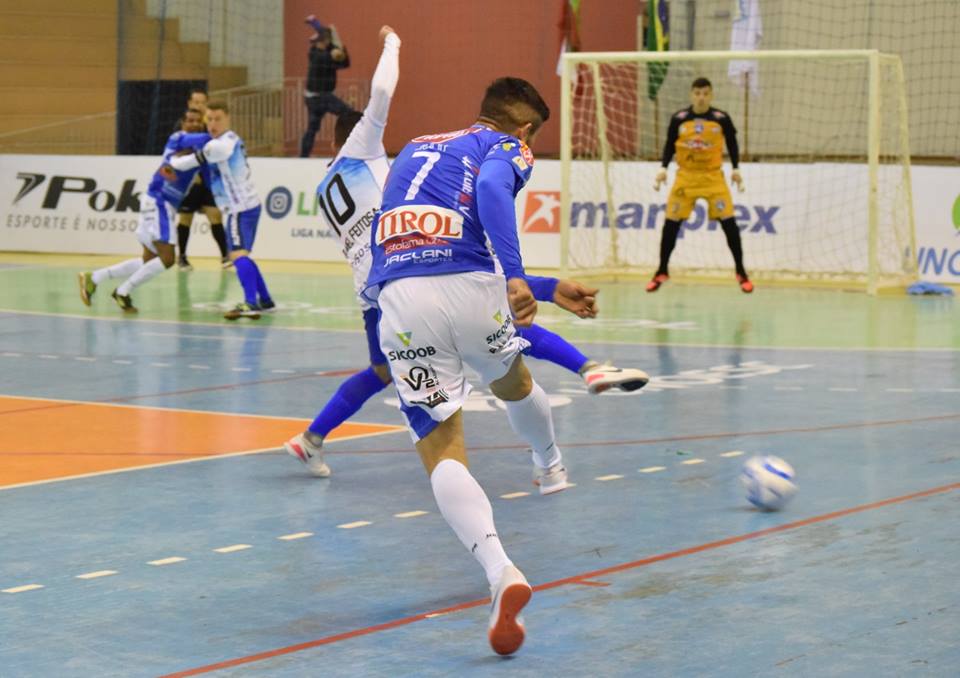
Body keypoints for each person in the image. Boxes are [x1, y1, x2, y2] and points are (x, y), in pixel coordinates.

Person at [284, 27, 648, 480]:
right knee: (495, 314)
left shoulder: (325, 185)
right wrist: (393, 44)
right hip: (418, 256)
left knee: (384, 368)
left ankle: (311, 438)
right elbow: (382, 93)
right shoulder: (367, 149)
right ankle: (585, 369)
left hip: (375, 287)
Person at [360, 76, 576, 656]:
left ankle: (501, 570)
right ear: (524, 129)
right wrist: (518, 275)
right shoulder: (506, 146)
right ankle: (549, 462)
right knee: (514, 383)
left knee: (441, 446)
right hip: (471, 284)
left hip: (401, 294)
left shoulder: (414, 147)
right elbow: (490, 188)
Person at [78, 110, 210, 312]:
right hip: (159, 201)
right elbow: (204, 140)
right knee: (167, 259)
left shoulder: (200, 150)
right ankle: (122, 291)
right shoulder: (177, 139)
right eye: (190, 121)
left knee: (149, 260)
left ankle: (95, 278)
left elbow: (208, 175)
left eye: (197, 121)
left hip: (161, 204)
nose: (193, 124)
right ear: (183, 123)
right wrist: (220, 136)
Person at [169, 100, 274, 319]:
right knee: (242, 255)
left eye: (218, 119)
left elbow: (189, 162)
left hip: (239, 208)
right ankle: (265, 299)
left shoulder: (220, 145)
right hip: (248, 205)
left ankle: (250, 303)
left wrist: (170, 158)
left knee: (237, 255)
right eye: (209, 119)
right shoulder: (228, 139)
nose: (212, 124)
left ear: (228, 119)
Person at [650, 76, 753, 293]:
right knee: (671, 223)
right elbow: (669, 144)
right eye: (697, 93)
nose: (701, 98)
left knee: (729, 224)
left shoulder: (721, 118)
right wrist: (663, 168)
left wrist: (736, 168)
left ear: (711, 95)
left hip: (712, 177)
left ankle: (741, 272)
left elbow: (732, 143)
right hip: (685, 177)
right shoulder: (679, 118)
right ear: (691, 95)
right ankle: (661, 270)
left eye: (705, 94)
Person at [173, 90, 230, 271]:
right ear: (189, 103)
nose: (198, 105)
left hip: (208, 182)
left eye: (201, 102)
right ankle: (182, 257)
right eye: (195, 102)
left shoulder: (209, 128)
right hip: (188, 184)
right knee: (185, 218)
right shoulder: (181, 130)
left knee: (215, 215)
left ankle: (225, 256)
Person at [299, 16, 354, 158]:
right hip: (321, 98)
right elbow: (340, 58)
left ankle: (303, 156)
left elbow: (345, 63)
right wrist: (336, 42)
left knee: (312, 128)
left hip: (314, 98)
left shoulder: (319, 51)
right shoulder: (320, 56)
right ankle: (349, 150)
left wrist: (336, 40)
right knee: (349, 114)